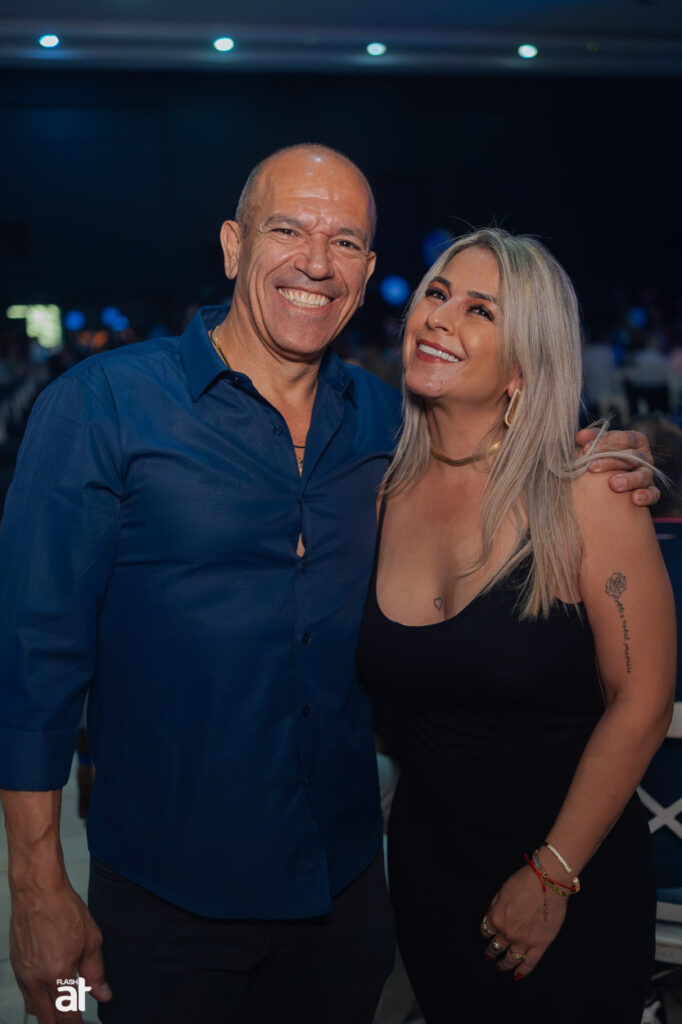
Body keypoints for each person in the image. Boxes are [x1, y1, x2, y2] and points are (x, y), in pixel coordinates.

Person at [0, 148, 659, 1024]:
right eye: (288, 229)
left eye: (344, 241)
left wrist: (604, 454)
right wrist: (36, 889)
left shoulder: (389, 429)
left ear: (368, 272)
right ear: (233, 246)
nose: (316, 262)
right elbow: (32, 663)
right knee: (67, 1008)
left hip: (345, 906)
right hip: (162, 903)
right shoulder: (101, 407)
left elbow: (508, 445)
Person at [355, 228, 675, 1023]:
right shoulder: (379, 495)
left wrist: (551, 874)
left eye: (480, 310)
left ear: (524, 365)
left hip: (570, 880)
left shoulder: (587, 494)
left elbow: (642, 701)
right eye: (436, 293)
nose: (440, 317)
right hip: (428, 882)